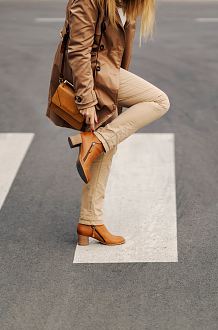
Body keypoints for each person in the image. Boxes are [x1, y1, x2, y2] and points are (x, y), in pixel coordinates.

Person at [46, 0, 170, 246]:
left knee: (106, 149)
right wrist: (87, 101)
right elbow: (78, 50)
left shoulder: (127, 2)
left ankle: (90, 221)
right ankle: (95, 141)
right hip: (93, 76)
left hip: (108, 73)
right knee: (158, 101)